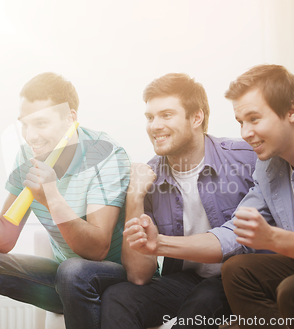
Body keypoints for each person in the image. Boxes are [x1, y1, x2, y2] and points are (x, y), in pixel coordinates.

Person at [123, 65, 294, 329]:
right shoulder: (269, 165)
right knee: (238, 269)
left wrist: (274, 238)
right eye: (241, 122)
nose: (245, 133)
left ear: (291, 111)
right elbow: (233, 235)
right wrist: (158, 244)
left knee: (292, 290)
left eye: (254, 119)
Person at [0, 72, 130, 329]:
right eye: (25, 124)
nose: (30, 136)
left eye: (40, 123)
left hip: (114, 283)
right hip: (65, 280)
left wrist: (51, 197)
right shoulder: (28, 155)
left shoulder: (105, 154)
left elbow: (97, 250)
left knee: (74, 270)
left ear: (70, 118)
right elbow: (3, 238)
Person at [101, 73, 257, 329]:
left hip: (237, 278)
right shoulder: (149, 177)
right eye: (150, 117)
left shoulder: (246, 159)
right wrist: (135, 196)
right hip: (187, 280)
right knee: (118, 298)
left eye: (166, 115)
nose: (154, 126)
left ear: (197, 117)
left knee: (203, 301)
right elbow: (139, 276)